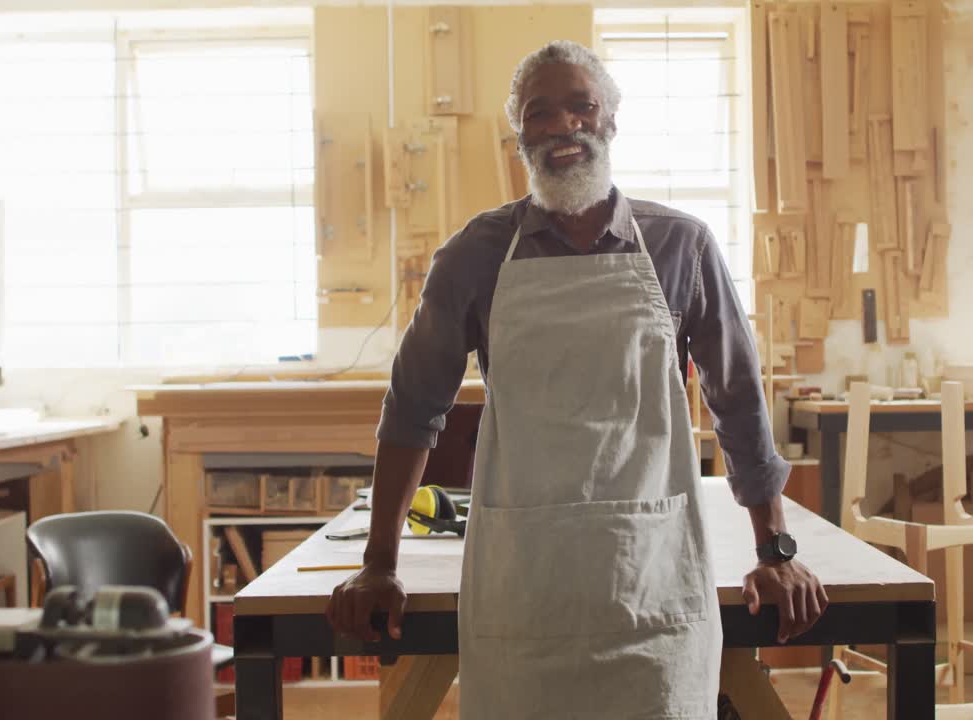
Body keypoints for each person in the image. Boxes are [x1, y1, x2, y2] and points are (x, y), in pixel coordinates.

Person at [327, 39, 828, 717]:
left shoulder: (681, 246)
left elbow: (737, 401)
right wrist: (379, 565)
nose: (564, 126)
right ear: (520, 136)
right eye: (540, 113)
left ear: (610, 120)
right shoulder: (473, 256)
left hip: (650, 576)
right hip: (523, 583)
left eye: (581, 106)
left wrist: (775, 551)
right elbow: (413, 410)